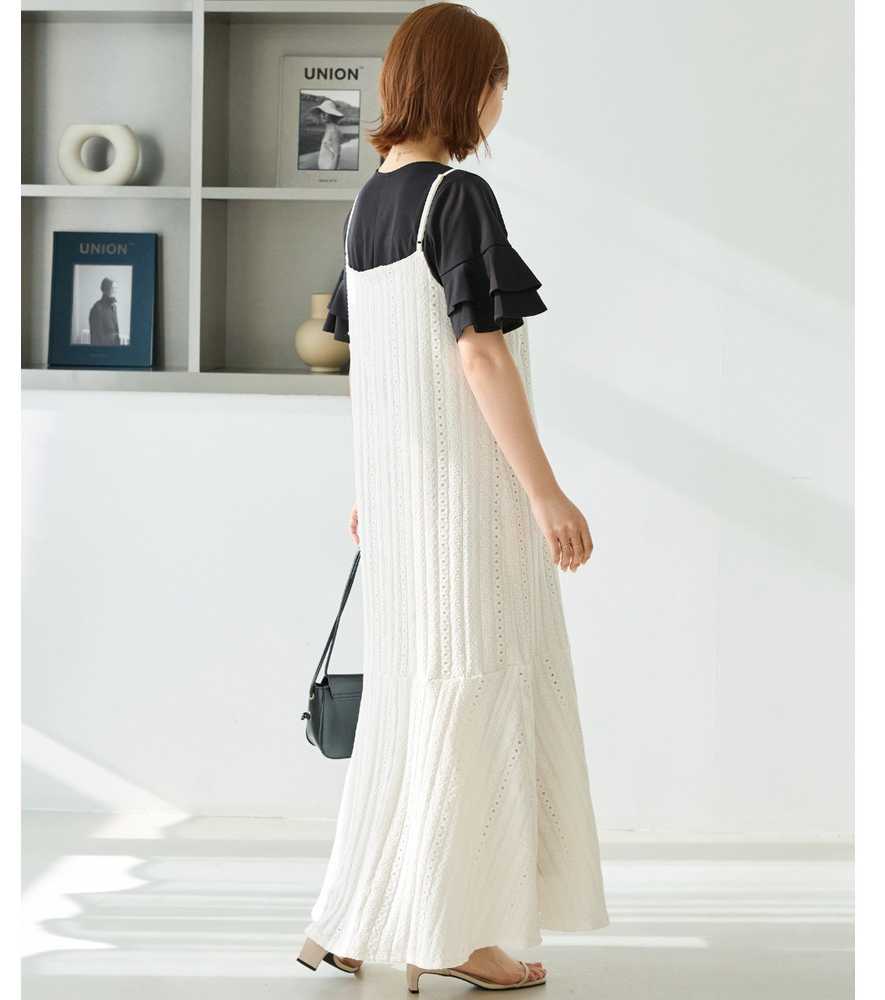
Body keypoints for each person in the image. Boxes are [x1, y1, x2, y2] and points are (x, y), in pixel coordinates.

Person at [297, 3, 609, 992]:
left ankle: (359, 915)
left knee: (413, 692)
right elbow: (478, 356)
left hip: (403, 503)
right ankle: (453, 933)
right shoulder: (456, 197)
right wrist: (546, 493)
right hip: (465, 500)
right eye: (497, 82)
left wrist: (371, 486)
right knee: (470, 682)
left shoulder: (365, 208)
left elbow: (370, 366)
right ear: (465, 86)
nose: (500, 101)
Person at [310, 99, 345, 169]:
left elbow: (337, 155)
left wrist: (330, 173)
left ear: (332, 115)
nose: (323, 114)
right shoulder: (329, 129)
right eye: (322, 112)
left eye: (326, 112)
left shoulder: (333, 131)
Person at [88, 277, 120, 346]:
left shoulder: (113, 306)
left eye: (116, 288)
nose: (114, 290)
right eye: (112, 288)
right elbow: (97, 337)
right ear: (105, 289)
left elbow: (116, 329)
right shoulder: (97, 308)